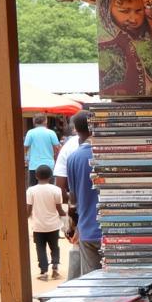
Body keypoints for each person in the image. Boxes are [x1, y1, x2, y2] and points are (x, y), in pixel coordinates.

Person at [65, 111, 102, 275]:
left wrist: (74, 226)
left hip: (87, 230)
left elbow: (73, 199)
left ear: (75, 129)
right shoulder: (107, 154)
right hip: (113, 231)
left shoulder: (73, 158)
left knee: (93, 282)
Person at [54, 111, 84, 280]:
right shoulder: (106, 145)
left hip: (81, 216)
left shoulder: (69, 150)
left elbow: (60, 188)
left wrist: (71, 218)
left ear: (74, 128)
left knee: (79, 252)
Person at [26, 164, 64, 281]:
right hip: (53, 225)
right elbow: (59, 209)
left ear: (36, 176)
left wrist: (25, 219)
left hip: (38, 226)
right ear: (51, 177)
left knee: (40, 248)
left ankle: (43, 272)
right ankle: (55, 268)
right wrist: (66, 218)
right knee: (55, 247)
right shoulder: (56, 190)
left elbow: (28, 210)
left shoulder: (31, 190)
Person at [23, 113, 60, 187]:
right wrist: (55, 157)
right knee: (50, 188)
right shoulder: (51, 133)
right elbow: (57, 148)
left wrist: (26, 158)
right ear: (46, 121)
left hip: (34, 165)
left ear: (34, 121)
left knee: (33, 188)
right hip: (49, 164)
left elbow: (25, 147)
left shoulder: (30, 133)